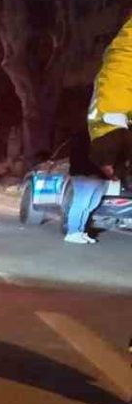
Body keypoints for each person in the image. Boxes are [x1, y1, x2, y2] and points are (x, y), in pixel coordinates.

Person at [67, 16, 132, 244]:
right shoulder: (92, 134)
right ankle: (74, 232)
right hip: (88, 175)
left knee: (90, 203)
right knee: (84, 202)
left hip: (95, 175)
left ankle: (79, 231)